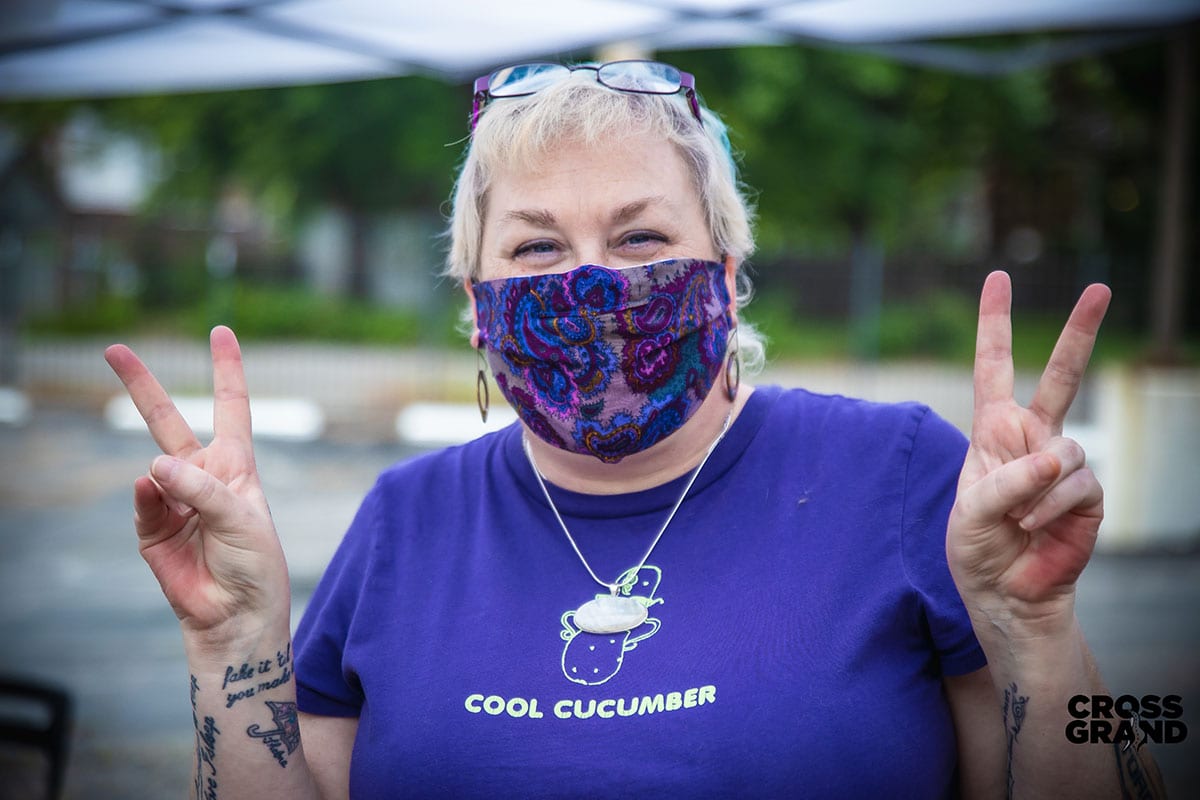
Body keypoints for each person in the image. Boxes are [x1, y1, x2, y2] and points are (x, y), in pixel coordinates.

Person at [104, 60, 1164, 799]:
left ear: (730, 275)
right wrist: (230, 646)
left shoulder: (902, 475)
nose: (591, 282)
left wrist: (1046, 639)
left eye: (642, 234)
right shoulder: (403, 522)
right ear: (475, 303)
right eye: (534, 249)